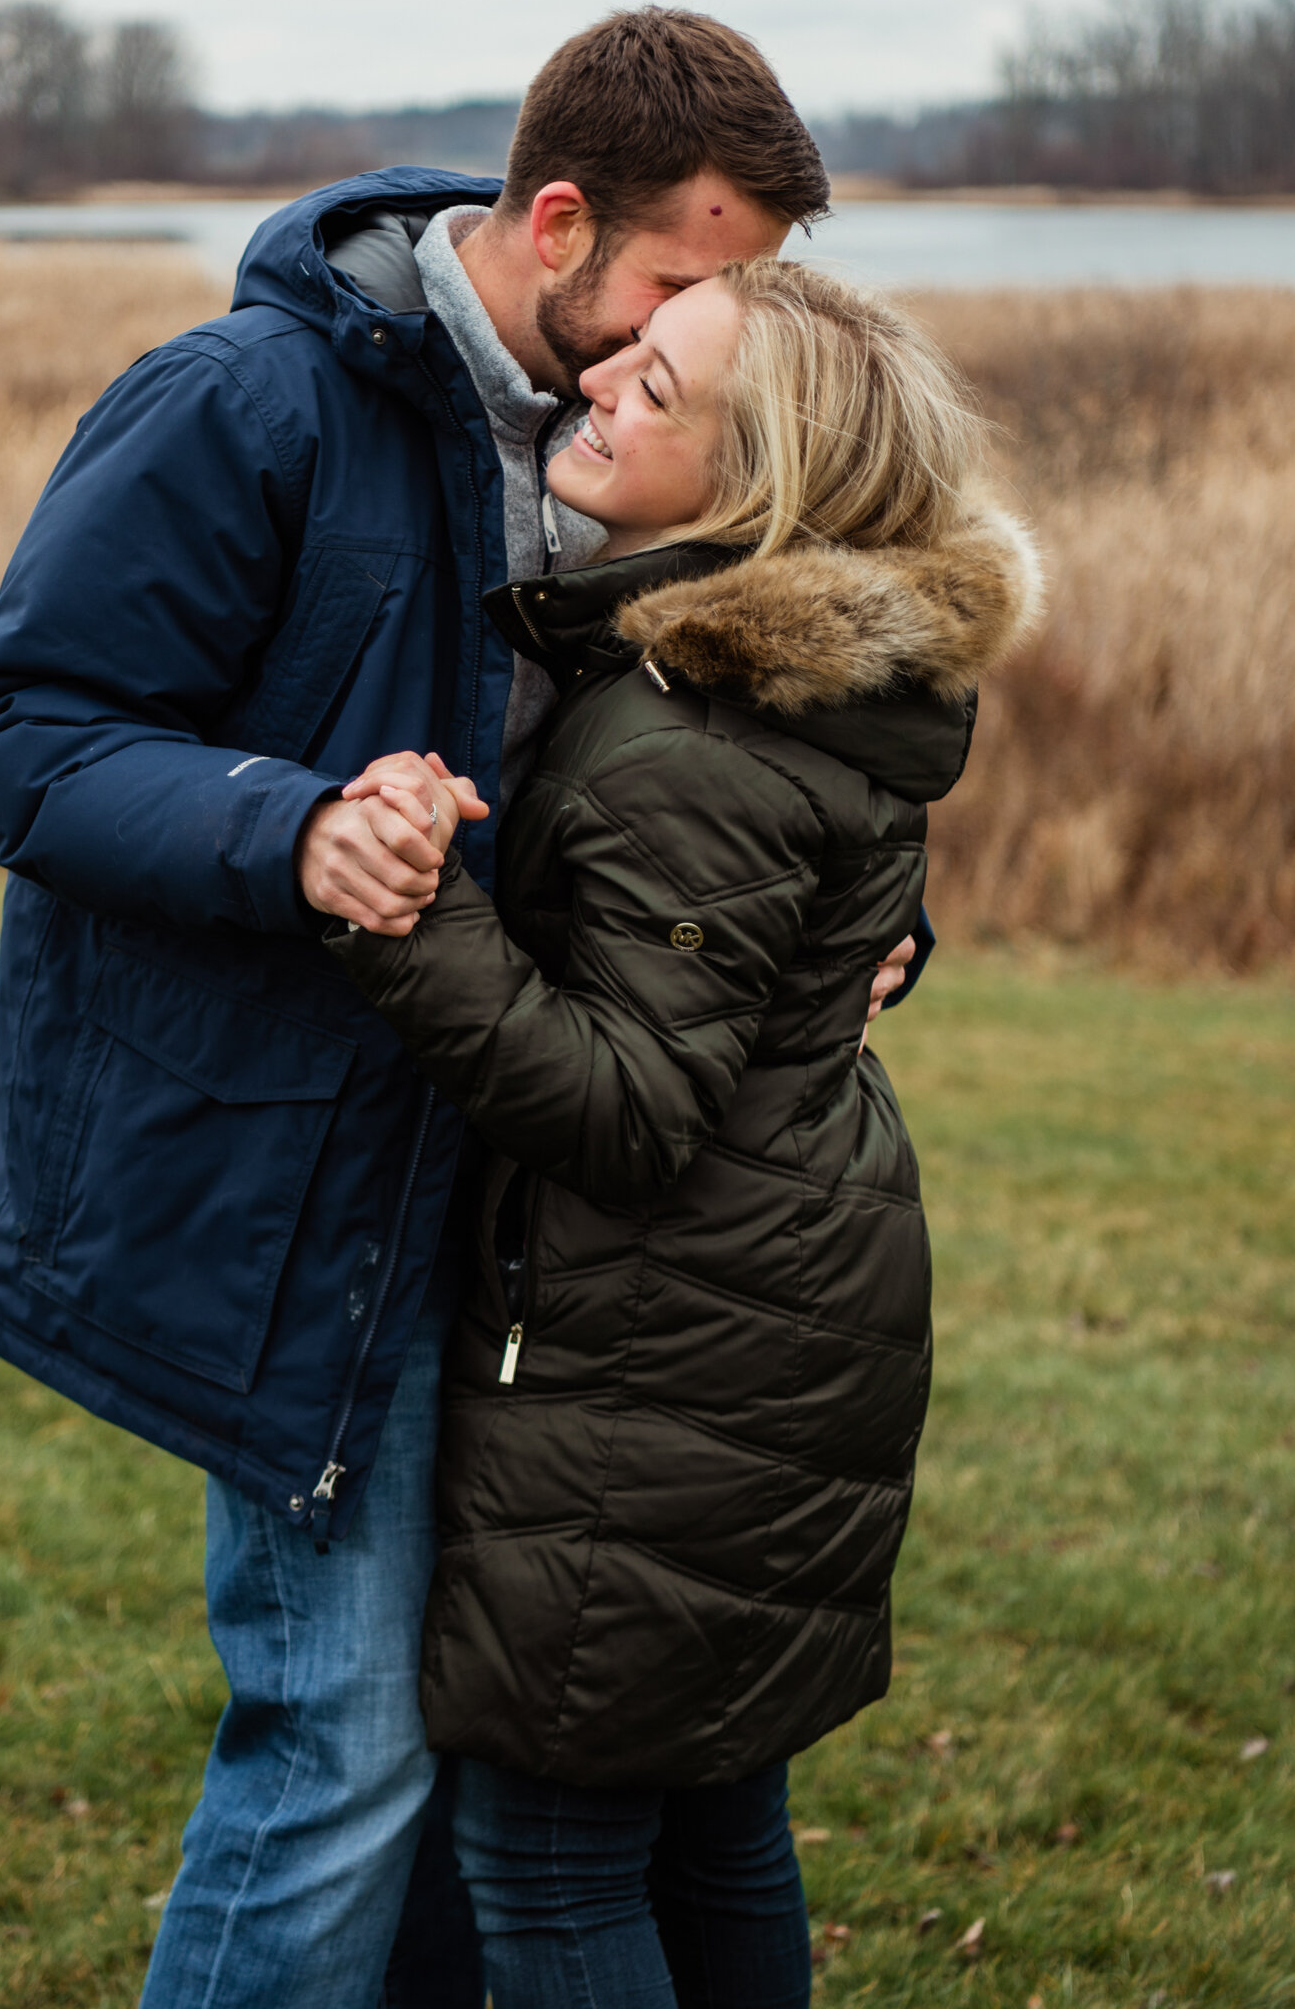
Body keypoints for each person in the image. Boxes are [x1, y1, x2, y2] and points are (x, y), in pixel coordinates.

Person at [0, 8, 911, 2009]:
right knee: (346, 1745)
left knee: (493, 1747)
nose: (709, 329)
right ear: (558, 220)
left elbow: (734, 768)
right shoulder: (244, 403)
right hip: (303, 1190)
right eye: (678, 281)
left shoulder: (641, 425)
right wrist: (290, 832)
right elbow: (16, 734)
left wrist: (863, 935)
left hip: (543, 1217)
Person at [325, 256, 1042, 2007]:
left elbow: (628, 1111)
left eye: (661, 389)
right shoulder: (770, 694)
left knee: (551, 1864)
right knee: (717, 1823)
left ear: (758, 487)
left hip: (671, 1345)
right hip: (773, 1296)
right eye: (627, 352)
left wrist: (408, 915)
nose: (600, 389)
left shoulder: (688, 739)